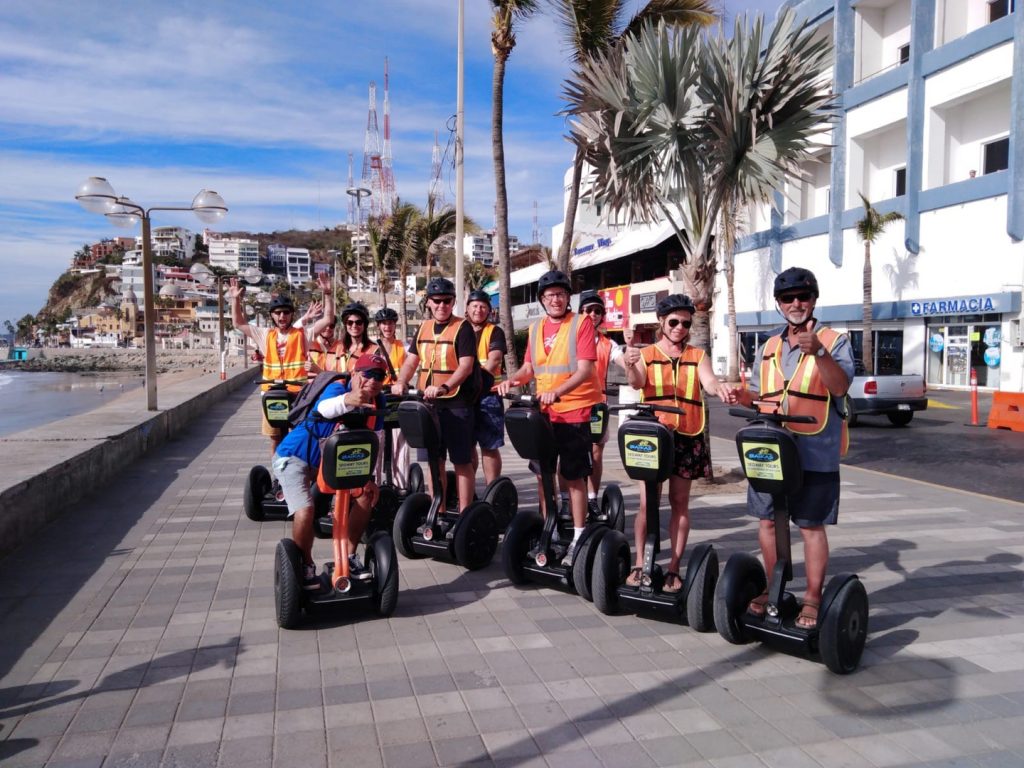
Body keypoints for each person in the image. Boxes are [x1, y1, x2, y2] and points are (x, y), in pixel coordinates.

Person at [731, 267, 854, 629]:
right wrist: (743, 396)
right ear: (779, 304)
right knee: (768, 522)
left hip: (815, 448)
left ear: (814, 299)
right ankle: (775, 588)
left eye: (804, 296)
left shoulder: (834, 340)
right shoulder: (768, 346)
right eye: (788, 298)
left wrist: (819, 353)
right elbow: (761, 395)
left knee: (810, 525)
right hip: (770, 450)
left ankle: (813, 597)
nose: (796, 303)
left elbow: (840, 388)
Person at [623, 294, 736, 592]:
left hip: (687, 435)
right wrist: (629, 363)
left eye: (685, 323)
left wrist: (719, 387)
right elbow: (636, 382)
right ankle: (640, 563)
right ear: (661, 321)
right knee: (648, 503)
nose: (680, 328)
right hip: (654, 437)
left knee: (680, 503)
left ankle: (674, 567)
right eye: (674, 321)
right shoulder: (646, 354)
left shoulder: (698, 356)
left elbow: (708, 381)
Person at [496, 270, 600, 565]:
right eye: (550, 295)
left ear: (568, 297)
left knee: (574, 474)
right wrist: (512, 381)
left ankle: (579, 533)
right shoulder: (536, 328)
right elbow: (529, 367)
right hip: (544, 413)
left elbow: (585, 370)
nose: (555, 299)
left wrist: (557, 391)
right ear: (542, 300)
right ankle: (550, 528)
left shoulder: (581, 324)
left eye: (560, 294)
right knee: (543, 473)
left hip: (575, 410)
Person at [272, 353, 389, 590]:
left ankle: (349, 557)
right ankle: (305, 566)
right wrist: (349, 399)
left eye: (379, 376)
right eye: (368, 374)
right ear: (355, 373)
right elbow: (324, 408)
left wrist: (370, 478)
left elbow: (375, 440)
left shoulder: (379, 402)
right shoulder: (337, 387)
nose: (373, 381)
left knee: (366, 496)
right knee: (305, 510)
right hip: (294, 456)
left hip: (331, 461)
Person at [391, 277, 480, 512]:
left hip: (456, 403)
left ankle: (465, 513)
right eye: (437, 301)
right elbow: (412, 360)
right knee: (434, 460)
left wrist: (445, 387)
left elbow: (466, 366)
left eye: (447, 301)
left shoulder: (463, 327)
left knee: (461, 461)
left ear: (453, 302)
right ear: (428, 302)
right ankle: (436, 511)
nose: (442, 306)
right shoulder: (423, 327)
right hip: (428, 404)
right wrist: (401, 380)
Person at [230, 270, 333, 457]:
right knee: (275, 438)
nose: (282, 316)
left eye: (286, 312)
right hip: (272, 394)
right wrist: (235, 300)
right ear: (272, 316)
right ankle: (277, 474)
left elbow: (327, 319)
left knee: (297, 435)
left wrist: (327, 294)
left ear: (292, 315)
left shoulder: (302, 334)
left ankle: (296, 471)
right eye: (278, 313)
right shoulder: (264, 335)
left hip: (298, 395)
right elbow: (238, 323)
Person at [577, 289, 625, 515]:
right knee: (570, 451)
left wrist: (632, 356)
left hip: (597, 406)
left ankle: (592, 498)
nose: (593, 314)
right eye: (588, 310)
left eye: (597, 311)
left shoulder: (608, 344)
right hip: (572, 403)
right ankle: (569, 499)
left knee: (596, 452)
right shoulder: (570, 338)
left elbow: (622, 360)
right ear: (580, 313)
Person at [465, 289, 507, 484]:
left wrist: (478, 381)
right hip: (464, 396)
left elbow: (495, 359)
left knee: (489, 446)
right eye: (474, 306)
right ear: (467, 308)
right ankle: (469, 489)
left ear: (489, 310)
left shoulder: (495, 331)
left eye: (483, 306)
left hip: (488, 396)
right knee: (467, 444)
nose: (478, 310)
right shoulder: (460, 330)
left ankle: (492, 490)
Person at [374, 306, 410, 490]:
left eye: (390, 323)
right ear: (378, 326)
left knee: (400, 442)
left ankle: (401, 485)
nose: (387, 327)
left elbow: (409, 369)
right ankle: (375, 486)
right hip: (378, 398)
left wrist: (403, 383)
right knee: (377, 442)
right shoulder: (373, 347)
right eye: (383, 323)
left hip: (397, 398)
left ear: (395, 325)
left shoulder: (402, 346)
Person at [334, 302, 379, 373]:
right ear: (345, 325)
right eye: (350, 322)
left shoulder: (374, 350)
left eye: (359, 322)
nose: (354, 326)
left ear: (365, 325)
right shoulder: (339, 347)